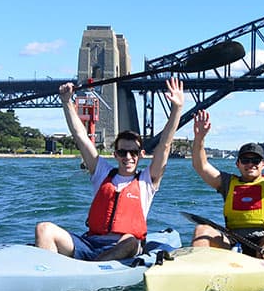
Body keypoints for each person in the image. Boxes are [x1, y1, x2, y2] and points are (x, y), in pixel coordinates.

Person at [35, 78, 185, 261]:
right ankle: (46, 277)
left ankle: (92, 268)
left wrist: (177, 109)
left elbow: (165, 144)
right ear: (115, 155)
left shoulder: (147, 181)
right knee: (44, 229)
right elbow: (80, 136)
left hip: (122, 247)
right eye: (122, 152)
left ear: (141, 154)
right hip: (90, 243)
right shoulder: (102, 173)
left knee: (130, 241)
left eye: (133, 152)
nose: (128, 157)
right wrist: (66, 101)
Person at [189, 109, 264, 257]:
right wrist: (199, 138)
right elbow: (201, 166)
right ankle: (198, 270)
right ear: (238, 164)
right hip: (232, 241)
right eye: (245, 160)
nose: (251, 164)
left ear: (263, 164)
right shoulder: (227, 183)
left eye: (255, 160)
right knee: (201, 230)